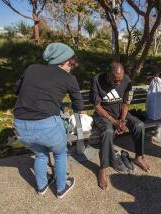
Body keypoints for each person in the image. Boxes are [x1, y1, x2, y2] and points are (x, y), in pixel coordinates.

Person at [13, 42, 84, 198]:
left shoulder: (32, 69)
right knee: (60, 154)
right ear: (64, 61)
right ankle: (60, 188)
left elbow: (16, 89)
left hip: (20, 126)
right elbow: (78, 104)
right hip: (46, 126)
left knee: (41, 154)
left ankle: (42, 187)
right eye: (71, 63)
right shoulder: (69, 78)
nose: (71, 67)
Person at [90, 62, 150, 190]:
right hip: (103, 115)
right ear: (108, 75)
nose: (118, 83)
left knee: (139, 125)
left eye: (120, 80)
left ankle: (138, 157)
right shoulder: (97, 80)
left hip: (120, 114)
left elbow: (125, 103)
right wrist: (114, 122)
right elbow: (97, 106)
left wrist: (122, 119)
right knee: (108, 132)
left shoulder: (126, 80)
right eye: (115, 80)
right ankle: (103, 168)